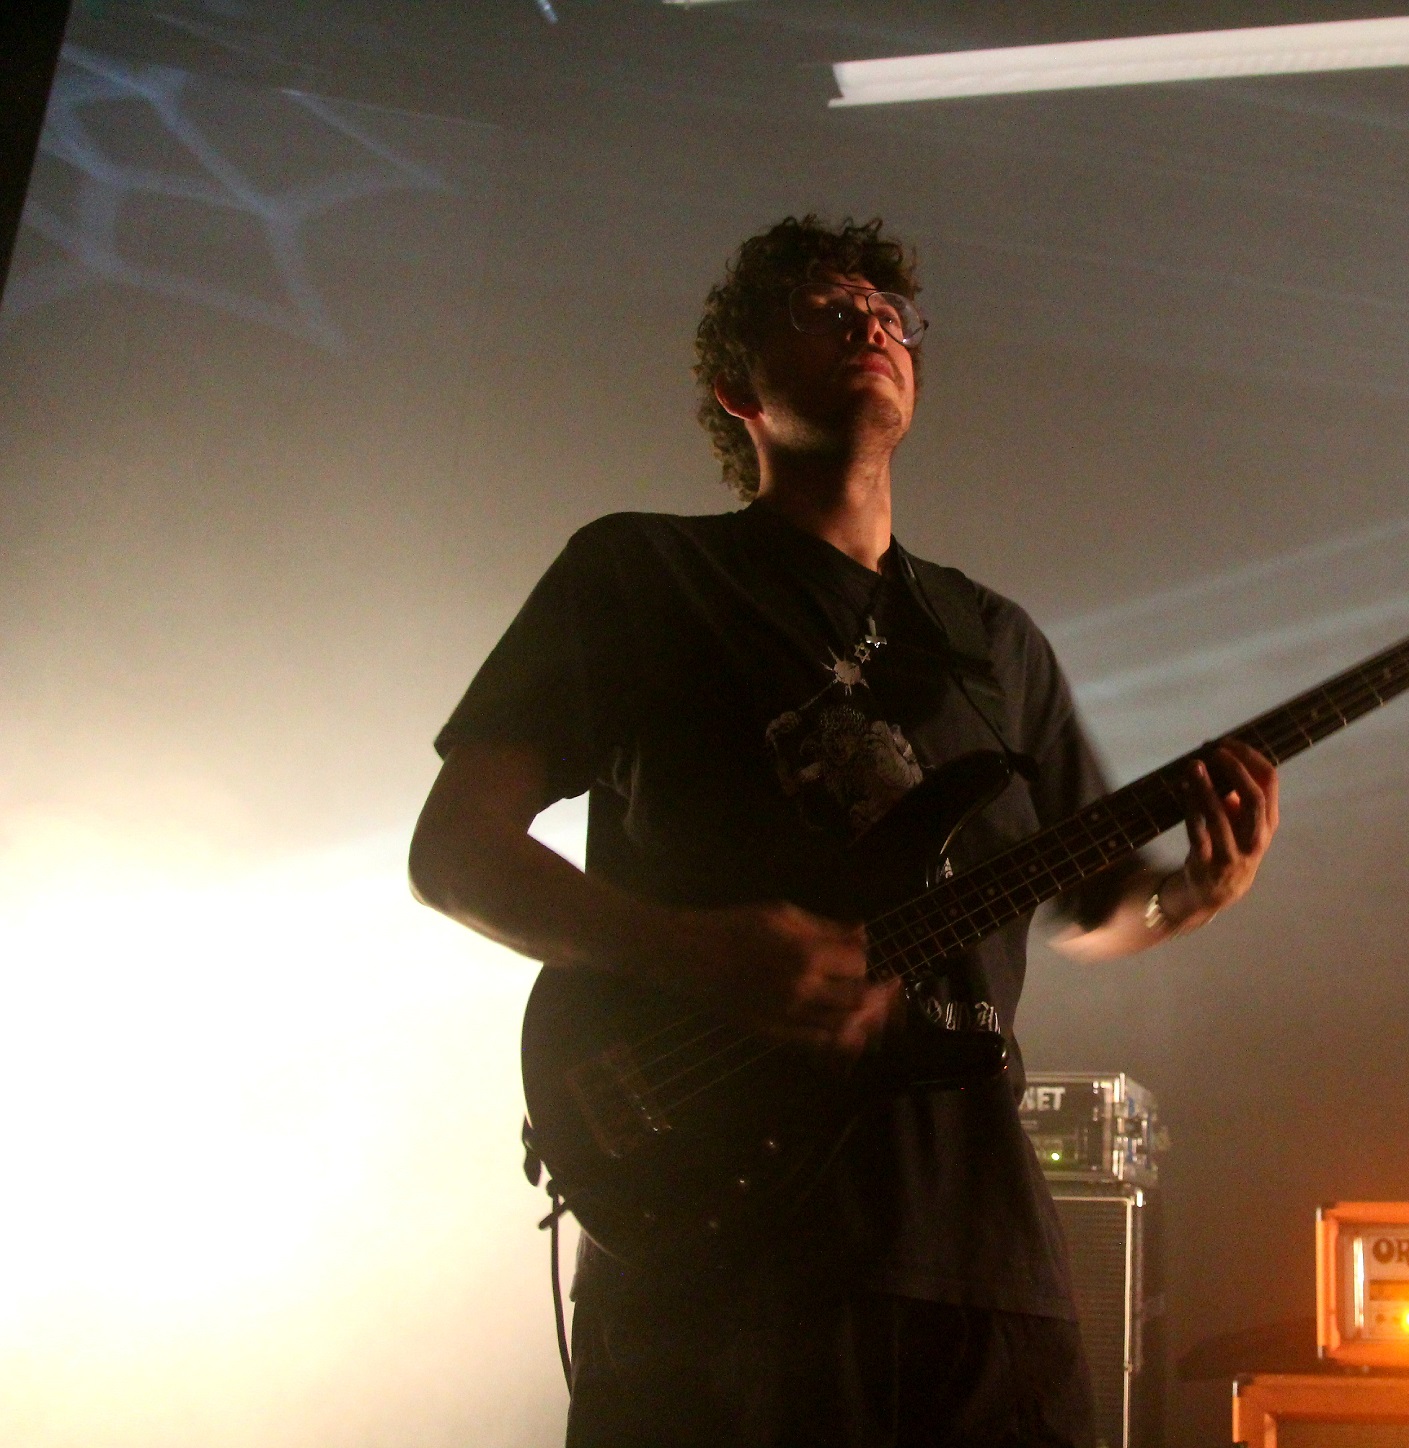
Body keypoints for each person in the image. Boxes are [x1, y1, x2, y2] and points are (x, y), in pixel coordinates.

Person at [408, 214, 1279, 1448]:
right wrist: (691, 950)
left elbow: (1096, 908)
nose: (873, 323)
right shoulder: (643, 574)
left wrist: (1191, 894)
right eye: (827, 311)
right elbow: (453, 852)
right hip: (717, 1264)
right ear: (738, 388)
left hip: (979, 1268)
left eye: (890, 313)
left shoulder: (994, 642)